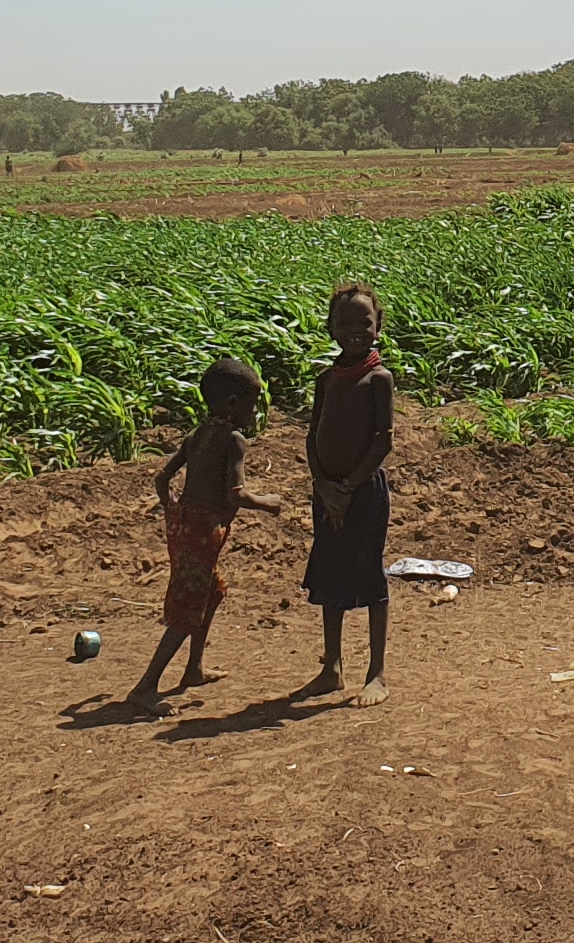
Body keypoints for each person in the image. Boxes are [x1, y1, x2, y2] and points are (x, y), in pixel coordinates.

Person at [132, 358, 275, 708]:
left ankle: (194, 667)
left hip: (185, 525)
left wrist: (172, 509)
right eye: (253, 404)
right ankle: (145, 688)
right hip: (203, 531)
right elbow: (235, 494)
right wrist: (268, 503)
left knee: (211, 592)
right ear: (232, 403)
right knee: (188, 610)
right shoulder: (234, 439)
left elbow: (162, 478)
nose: (255, 412)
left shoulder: (196, 434)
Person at [302, 280, 397, 701]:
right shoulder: (327, 380)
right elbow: (311, 436)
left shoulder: (379, 379)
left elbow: (382, 442)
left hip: (363, 493)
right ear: (331, 328)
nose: (356, 330)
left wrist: (346, 486)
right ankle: (332, 666)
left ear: (378, 326)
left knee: (369, 574)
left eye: (365, 322)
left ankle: (376, 672)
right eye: (345, 323)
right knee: (330, 574)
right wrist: (323, 486)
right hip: (327, 494)